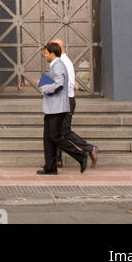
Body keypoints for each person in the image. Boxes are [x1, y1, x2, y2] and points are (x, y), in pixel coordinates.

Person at [36, 41, 89, 175]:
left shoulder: (58, 65)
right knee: (48, 138)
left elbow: (59, 85)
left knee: (55, 137)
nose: (45, 55)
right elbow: (55, 81)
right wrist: (44, 81)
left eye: (46, 53)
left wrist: (44, 88)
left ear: (52, 54)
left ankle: (80, 155)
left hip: (57, 108)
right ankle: (50, 167)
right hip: (52, 108)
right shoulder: (55, 66)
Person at [53, 36, 97, 168]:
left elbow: (62, 82)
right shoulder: (62, 61)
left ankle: (89, 148)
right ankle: (57, 159)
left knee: (64, 131)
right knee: (56, 131)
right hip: (65, 99)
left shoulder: (62, 62)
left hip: (65, 100)